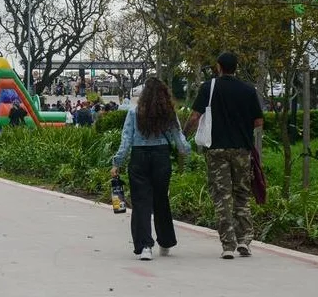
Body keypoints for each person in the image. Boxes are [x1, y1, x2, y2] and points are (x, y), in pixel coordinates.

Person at [185, 52, 264, 260]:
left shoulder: (208, 88)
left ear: (218, 66)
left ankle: (227, 245)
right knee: (242, 194)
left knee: (222, 196)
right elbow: (258, 122)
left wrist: (182, 135)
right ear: (236, 67)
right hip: (241, 150)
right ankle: (245, 241)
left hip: (217, 150)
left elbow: (195, 117)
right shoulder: (248, 90)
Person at [111, 77, 190, 261]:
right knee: (161, 199)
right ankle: (165, 242)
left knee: (141, 201)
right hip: (161, 157)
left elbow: (126, 140)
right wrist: (186, 150)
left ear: (144, 94)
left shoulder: (133, 112)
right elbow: (178, 138)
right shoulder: (168, 113)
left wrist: (117, 163)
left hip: (139, 157)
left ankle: (145, 246)